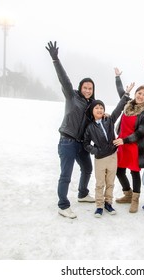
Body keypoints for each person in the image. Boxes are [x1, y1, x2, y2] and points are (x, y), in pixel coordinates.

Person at [45, 41, 96, 219]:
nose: (88, 90)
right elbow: (64, 79)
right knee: (66, 175)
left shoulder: (92, 105)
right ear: (81, 88)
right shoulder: (72, 96)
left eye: (90, 88)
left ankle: (82, 194)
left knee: (87, 168)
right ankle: (63, 205)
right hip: (67, 141)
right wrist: (55, 60)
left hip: (81, 143)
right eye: (85, 87)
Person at [83, 86, 133, 217]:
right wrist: (96, 151)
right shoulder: (89, 127)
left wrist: (126, 94)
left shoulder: (109, 120)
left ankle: (108, 203)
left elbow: (118, 108)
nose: (99, 109)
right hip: (100, 159)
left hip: (112, 156)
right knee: (100, 183)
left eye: (101, 107)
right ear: (92, 111)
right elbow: (86, 144)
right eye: (96, 108)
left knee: (110, 182)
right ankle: (99, 206)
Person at [112, 68, 144, 213]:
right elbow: (121, 91)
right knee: (119, 171)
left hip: (133, 146)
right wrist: (117, 77)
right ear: (135, 94)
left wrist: (125, 140)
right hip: (121, 144)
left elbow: (140, 132)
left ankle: (135, 200)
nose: (141, 96)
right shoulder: (128, 104)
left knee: (134, 173)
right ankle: (127, 194)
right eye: (139, 93)